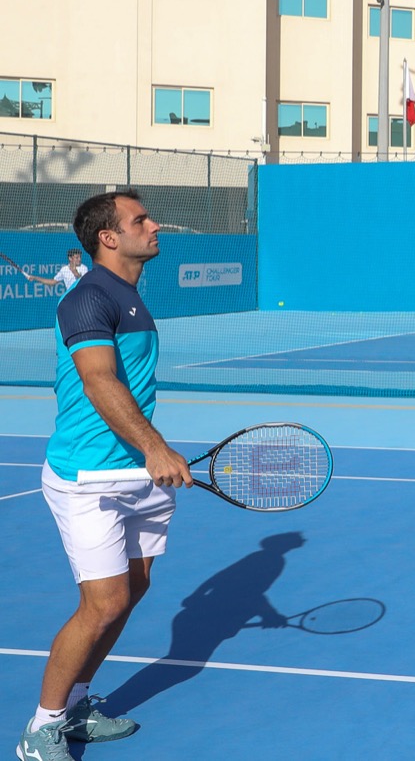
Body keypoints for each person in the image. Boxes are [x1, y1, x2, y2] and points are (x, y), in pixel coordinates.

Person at [18, 191, 193, 761]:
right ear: (108, 238)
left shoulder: (129, 294)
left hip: (138, 475)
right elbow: (98, 381)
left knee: (132, 591)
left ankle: (76, 704)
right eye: (140, 219)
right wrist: (156, 447)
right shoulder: (88, 298)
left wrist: (148, 458)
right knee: (103, 602)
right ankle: (40, 728)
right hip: (88, 477)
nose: (154, 224)